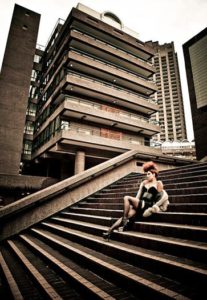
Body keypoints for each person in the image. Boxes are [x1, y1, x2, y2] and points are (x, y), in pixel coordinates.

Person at [102, 161, 169, 241]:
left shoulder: (158, 183)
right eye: (146, 174)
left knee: (126, 198)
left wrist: (156, 206)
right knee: (125, 216)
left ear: (154, 174)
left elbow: (163, 196)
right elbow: (138, 196)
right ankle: (109, 232)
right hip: (140, 203)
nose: (146, 176)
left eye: (148, 174)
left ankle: (125, 220)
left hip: (147, 205)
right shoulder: (144, 183)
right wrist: (132, 205)